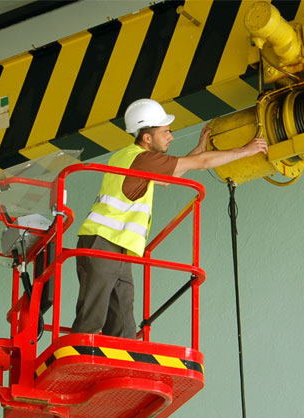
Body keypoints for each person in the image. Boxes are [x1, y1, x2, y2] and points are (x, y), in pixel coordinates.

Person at [71, 98, 268, 339]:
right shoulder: (142, 159)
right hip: (103, 243)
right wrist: (245, 151)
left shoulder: (130, 157)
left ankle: (119, 364)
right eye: (165, 132)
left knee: (124, 322)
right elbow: (200, 164)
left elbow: (169, 177)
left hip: (115, 245)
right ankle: (76, 360)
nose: (170, 136)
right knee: (93, 316)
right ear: (146, 137)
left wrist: (199, 150)